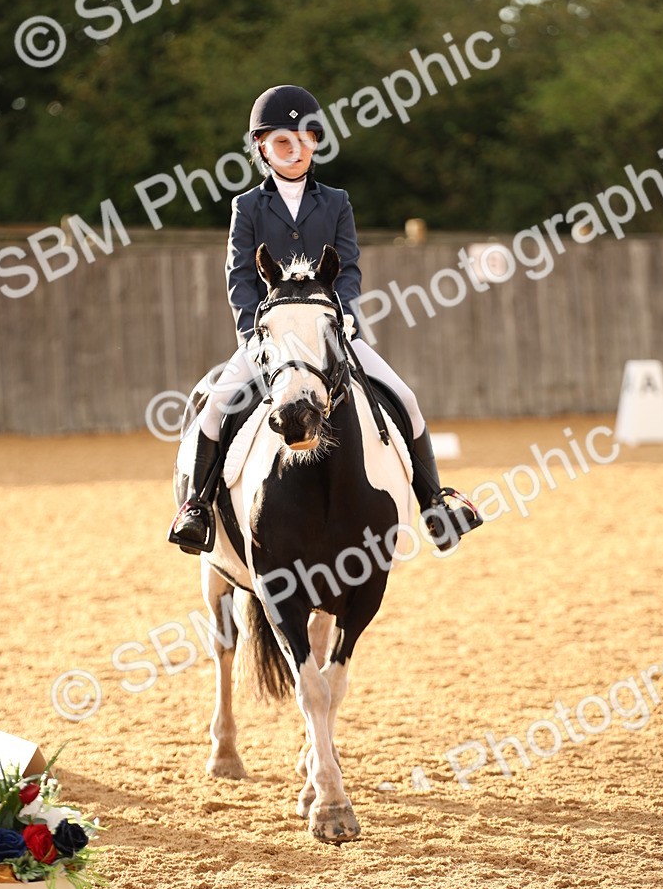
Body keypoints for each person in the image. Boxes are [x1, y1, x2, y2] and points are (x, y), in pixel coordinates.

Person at [169, 84, 481, 555]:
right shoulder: (247, 207)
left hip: (331, 334)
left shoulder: (336, 201)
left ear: (316, 141)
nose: (294, 149)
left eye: (304, 137)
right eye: (281, 141)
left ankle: (434, 503)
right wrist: (253, 334)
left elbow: (349, 268)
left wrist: (346, 317)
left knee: (408, 400)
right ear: (261, 148)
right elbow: (239, 276)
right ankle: (197, 507)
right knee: (214, 409)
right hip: (269, 337)